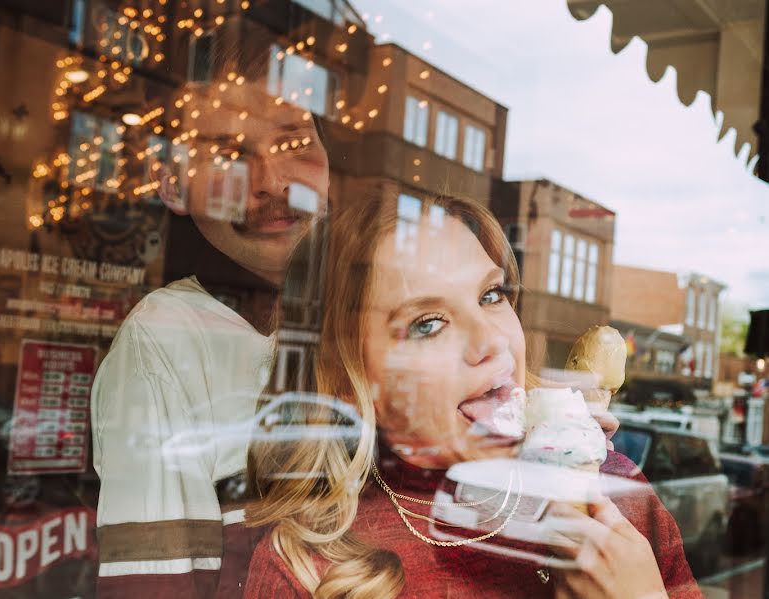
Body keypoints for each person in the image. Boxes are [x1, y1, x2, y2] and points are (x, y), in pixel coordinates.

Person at [244, 189, 701, 598]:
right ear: (346, 382)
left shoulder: (616, 494)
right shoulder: (307, 567)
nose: (493, 341)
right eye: (428, 323)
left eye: (491, 295)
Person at [90, 22, 331, 599]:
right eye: (228, 153)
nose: (272, 182)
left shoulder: (383, 316)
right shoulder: (167, 338)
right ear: (172, 185)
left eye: (295, 141)